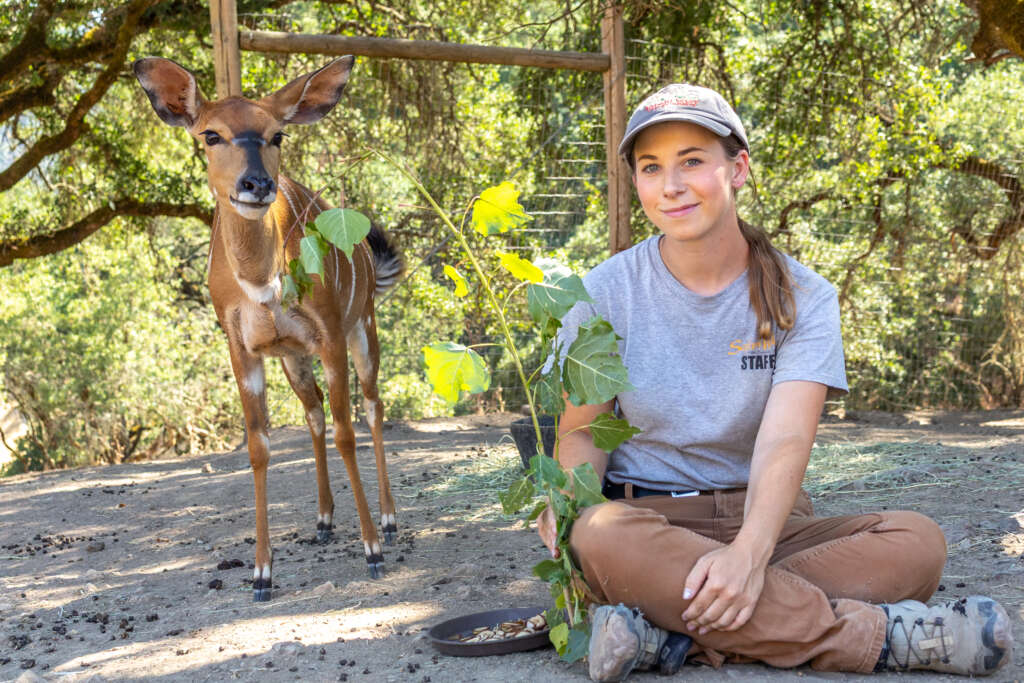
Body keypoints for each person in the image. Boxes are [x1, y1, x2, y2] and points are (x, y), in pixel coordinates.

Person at [536, 83, 1013, 681]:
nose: (671, 185)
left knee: (918, 542)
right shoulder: (601, 292)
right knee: (599, 534)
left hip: (771, 523)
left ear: (737, 169)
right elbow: (583, 433)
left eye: (692, 161)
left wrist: (748, 554)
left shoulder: (804, 295)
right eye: (651, 167)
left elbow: (785, 439)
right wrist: (569, 502)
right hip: (647, 527)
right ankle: (877, 638)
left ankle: (668, 634)